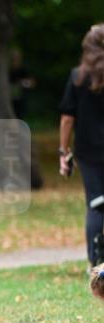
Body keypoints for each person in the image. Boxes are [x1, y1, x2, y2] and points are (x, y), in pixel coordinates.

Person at [58, 22, 104, 268]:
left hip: (88, 151)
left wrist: (63, 151)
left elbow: (67, 118)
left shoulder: (78, 77)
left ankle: (95, 263)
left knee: (96, 205)